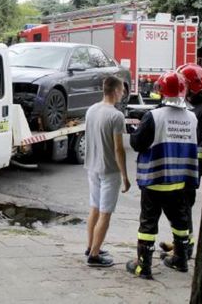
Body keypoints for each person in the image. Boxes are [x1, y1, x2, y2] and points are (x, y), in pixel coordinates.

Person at [126, 71, 199, 280]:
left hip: (155, 180)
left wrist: (136, 129)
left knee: (148, 224)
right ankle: (181, 261)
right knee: (180, 222)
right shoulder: (192, 117)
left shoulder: (154, 116)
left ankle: (143, 267)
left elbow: (137, 143)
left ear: (160, 91)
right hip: (180, 182)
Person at [160, 63, 202, 259]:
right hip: (192, 162)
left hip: (192, 162)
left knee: (181, 202)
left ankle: (184, 249)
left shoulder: (198, 109)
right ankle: (182, 242)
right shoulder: (198, 105)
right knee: (182, 202)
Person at [84, 75, 130, 267]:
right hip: (109, 170)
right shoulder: (116, 116)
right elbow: (119, 149)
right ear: (116, 91)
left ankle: (90, 246)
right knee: (105, 213)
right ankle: (94, 255)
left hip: (92, 167)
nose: (123, 95)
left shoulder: (91, 110)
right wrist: (125, 176)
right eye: (122, 91)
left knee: (94, 208)